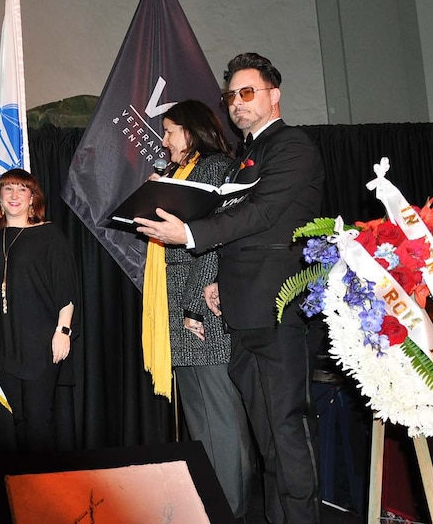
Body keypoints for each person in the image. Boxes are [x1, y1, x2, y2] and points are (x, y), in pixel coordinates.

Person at [135, 53, 326, 524]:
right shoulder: (245, 159)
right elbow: (239, 226)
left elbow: (261, 213)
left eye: (247, 92)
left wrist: (191, 235)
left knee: (286, 432)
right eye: (231, 96)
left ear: (273, 95)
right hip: (241, 313)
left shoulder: (292, 146)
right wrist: (219, 277)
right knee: (265, 441)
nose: (236, 103)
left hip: (278, 310)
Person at [142, 99, 254, 521]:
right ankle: (215, 502)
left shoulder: (213, 170)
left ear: (191, 132)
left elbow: (212, 242)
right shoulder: (179, 174)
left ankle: (227, 509)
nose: (165, 139)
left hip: (200, 313)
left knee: (216, 419)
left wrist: (194, 308)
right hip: (180, 311)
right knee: (203, 419)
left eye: (170, 131)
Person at [0, 169, 78, 453]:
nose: (15, 195)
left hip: (40, 343)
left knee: (37, 423)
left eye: (22, 189)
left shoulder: (49, 234)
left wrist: (63, 331)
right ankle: (25, 488)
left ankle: (43, 492)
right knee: (20, 420)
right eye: (8, 189)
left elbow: (66, 290)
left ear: (33, 198)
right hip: (2, 343)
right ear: (0, 198)